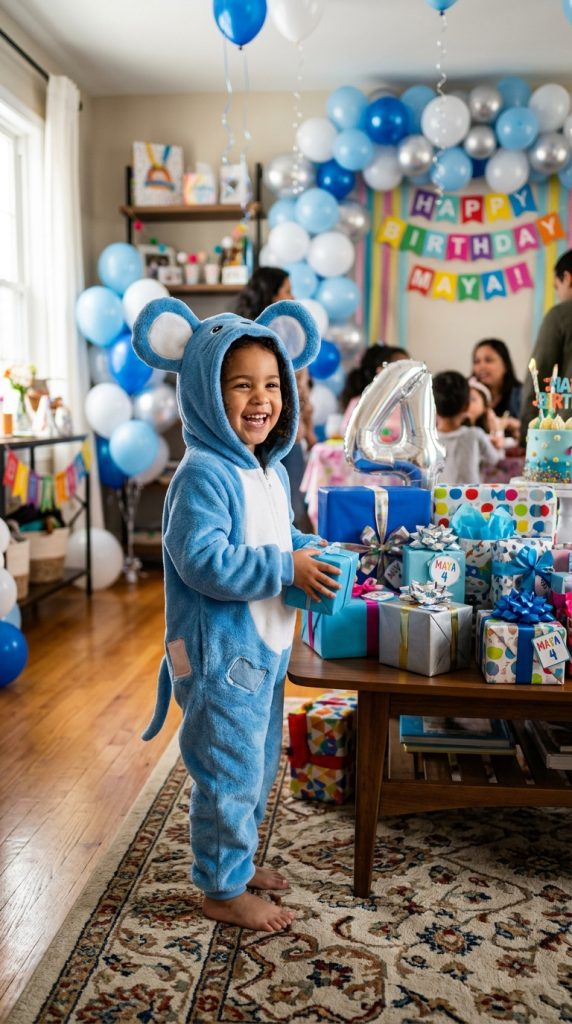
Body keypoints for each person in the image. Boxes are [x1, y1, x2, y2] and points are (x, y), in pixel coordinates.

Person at [132, 296, 341, 933]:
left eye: (273, 384)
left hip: (262, 647)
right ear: (203, 391)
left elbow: (276, 533)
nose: (261, 398)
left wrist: (308, 548)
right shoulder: (202, 475)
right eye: (241, 384)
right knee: (226, 767)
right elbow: (204, 560)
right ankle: (221, 889)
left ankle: (237, 862)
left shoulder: (265, 471)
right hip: (219, 651)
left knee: (255, 759)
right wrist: (285, 568)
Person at [236, 266, 316, 531]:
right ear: (271, 296)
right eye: (287, 291)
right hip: (283, 432)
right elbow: (297, 391)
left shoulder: (241, 335)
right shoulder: (282, 338)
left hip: (256, 434)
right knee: (290, 509)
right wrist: (308, 430)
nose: (292, 298)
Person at [520, 249, 572, 442]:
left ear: (567, 278)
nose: (558, 294)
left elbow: (539, 375)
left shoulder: (561, 315)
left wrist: (527, 432)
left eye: (557, 287)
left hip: (567, 437)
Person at [433, 371, 502, 484]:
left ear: (432, 406)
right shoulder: (474, 434)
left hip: (438, 495)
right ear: (466, 406)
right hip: (471, 495)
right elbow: (495, 459)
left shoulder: (429, 440)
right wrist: (498, 433)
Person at [340, 343, 409, 436]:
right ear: (381, 372)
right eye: (402, 370)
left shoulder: (408, 403)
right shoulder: (360, 402)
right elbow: (346, 431)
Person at [471, 338, 522, 439]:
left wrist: (517, 427)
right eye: (477, 362)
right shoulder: (467, 393)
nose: (481, 366)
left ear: (505, 365)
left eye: (488, 360)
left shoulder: (521, 395)